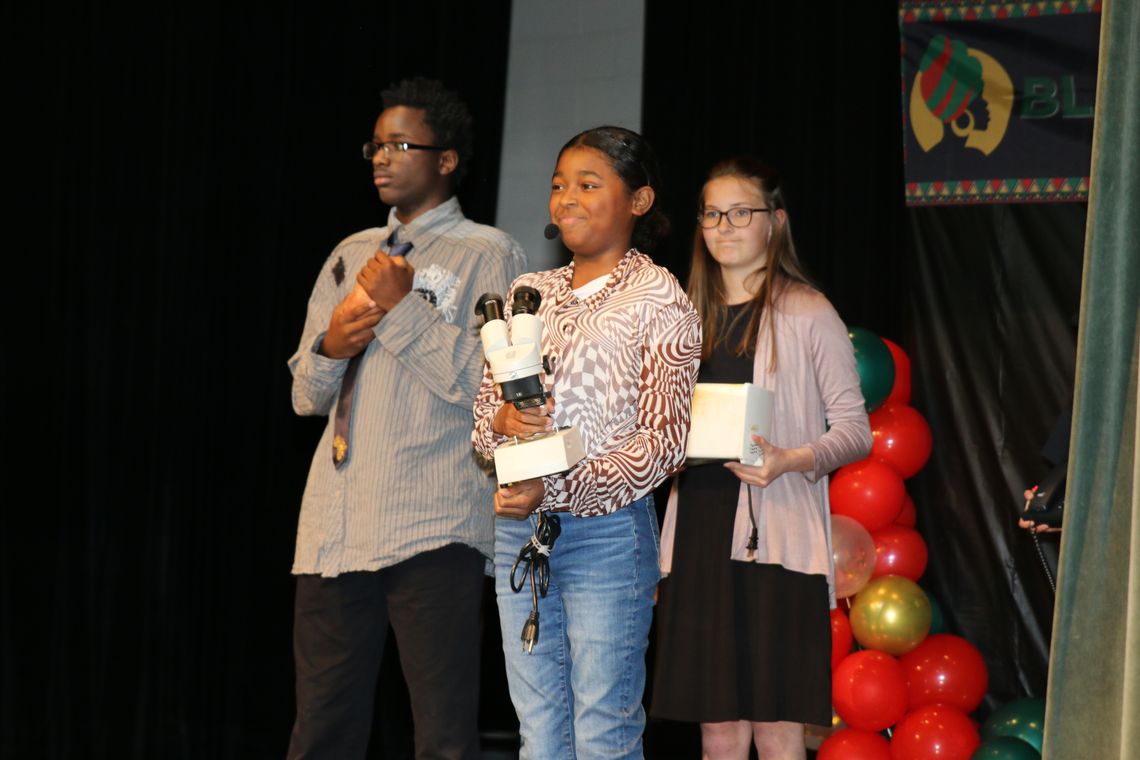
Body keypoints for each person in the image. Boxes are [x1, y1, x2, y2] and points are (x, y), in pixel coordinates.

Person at [286, 77, 526, 760]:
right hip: (334, 524)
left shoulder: (489, 253)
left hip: (433, 522)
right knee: (321, 728)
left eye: (400, 145)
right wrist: (333, 343)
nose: (381, 159)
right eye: (375, 146)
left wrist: (402, 309)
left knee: (442, 732)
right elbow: (305, 394)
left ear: (446, 160)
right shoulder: (348, 253)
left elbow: (489, 386)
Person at [472, 126, 701, 759]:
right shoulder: (531, 295)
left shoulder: (661, 299)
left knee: (603, 726)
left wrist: (558, 484)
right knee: (539, 731)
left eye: (588, 184)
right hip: (522, 529)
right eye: (557, 185)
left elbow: (662, 444)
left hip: (607, 535)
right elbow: (484, 412)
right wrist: (503, 429)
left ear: (639, 201)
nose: (566, 198)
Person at [650, 157, 872, 760]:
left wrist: (790, 458)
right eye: (711, 214)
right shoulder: (681, 316)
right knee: (717, 728)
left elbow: (856, 431)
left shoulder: (807, 311)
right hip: (697, 533)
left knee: (777, 729)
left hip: (778, 537)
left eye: (739, 212)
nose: (723, 226)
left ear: (774, 222)